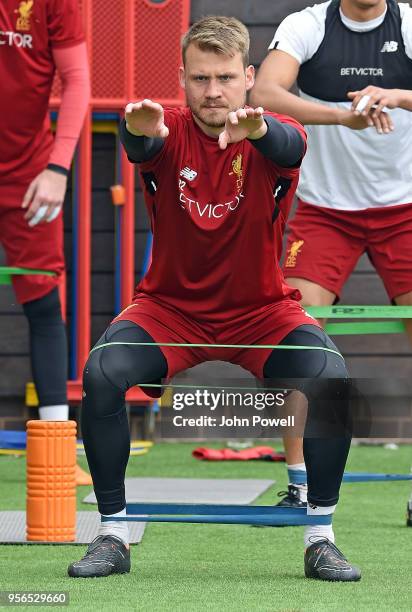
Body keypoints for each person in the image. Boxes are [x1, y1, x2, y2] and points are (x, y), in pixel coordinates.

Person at [68, 16, 360, 581]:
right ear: (182, 77)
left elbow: (292, 143)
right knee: (103, 372)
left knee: (331, 379)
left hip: (260, 314)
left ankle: (320, 536)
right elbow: (139, 143)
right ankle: (112, 533)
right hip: (170, 311)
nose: (213, 91)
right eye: (200, 78)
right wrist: (135, 130)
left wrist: (258, 133)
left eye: (225, 77)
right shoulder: (168, 128)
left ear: (248, 76)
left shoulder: (270, 130)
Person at [251, 0, 412, 505]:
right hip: (325, 213)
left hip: (405, 209)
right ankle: (300, 484)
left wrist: (398, 95)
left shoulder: (407, 22)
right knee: (297, 336)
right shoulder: (307, 24)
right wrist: (342, 118)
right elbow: (265, 92)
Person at [0, 0, 91, 484]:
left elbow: (77, 80)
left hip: (31, 175)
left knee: (42, 303)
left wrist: (58, 168)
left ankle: (57, 449)